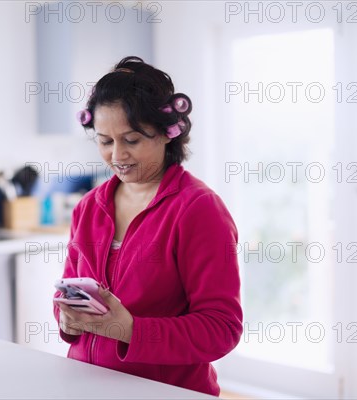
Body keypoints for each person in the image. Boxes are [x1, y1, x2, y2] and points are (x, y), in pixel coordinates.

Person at [53, 56, 242, 396]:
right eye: (105, 141)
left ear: (168, 133)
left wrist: (131, 331)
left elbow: (221, 328)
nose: (117, 156)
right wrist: (66, 320)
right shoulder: (88, 208)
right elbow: (66, 293)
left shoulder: (198, 210)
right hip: (86, 387)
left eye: (133, 139)